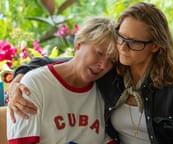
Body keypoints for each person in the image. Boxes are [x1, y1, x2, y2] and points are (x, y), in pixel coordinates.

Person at [7, 2, 173, 144]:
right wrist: (19, 78)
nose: (123, 47)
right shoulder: (113, 73)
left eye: (134, 42)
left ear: (155, 46)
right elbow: (64, 64)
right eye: (121, 37)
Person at [6, 16, 118, 144]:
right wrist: (18, 78)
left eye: (112, 61)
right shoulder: (33, 85)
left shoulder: (103, 89)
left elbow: (103, 138)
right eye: (100, 53)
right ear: (78, 44)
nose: (103, 65)